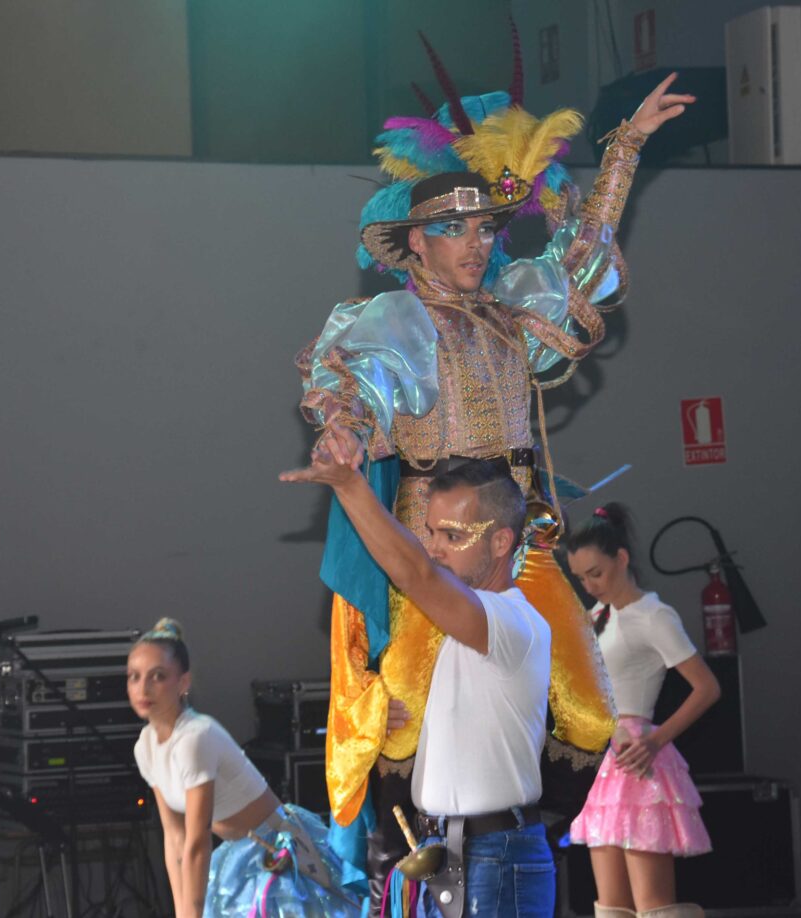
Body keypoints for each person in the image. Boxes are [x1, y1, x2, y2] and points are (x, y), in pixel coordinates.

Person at [296, 28, 696, 911]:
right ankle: (416, 862)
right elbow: (353, 385)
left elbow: (583, 250)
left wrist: (624, 146)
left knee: (592, 715)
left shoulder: (514, 308)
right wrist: (345, 434)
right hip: (436, 546)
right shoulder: (397, 320)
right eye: (454, 230)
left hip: (524, 539)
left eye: (484, 228)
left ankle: (515, 855)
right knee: (392, 721)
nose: (476, 244)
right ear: (417, 244)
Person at [282, 450, 555, 917]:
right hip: (453, 854)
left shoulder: (512, 622)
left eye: (452, 536)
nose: (434, 547)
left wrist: (350, 486)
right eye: (429, 532)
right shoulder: (463, 632)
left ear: (500, 542)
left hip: (493, 856)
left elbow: (416, 573)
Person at [127, 618, 364, 917]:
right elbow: (175, 837)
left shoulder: (195, 737)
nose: (143, 688)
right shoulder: (145, 746)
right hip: (237, 854)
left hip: (277, 853)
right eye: (134, 676)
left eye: (157, 676)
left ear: (183, 682)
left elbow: (197, 839)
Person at [565, 505, 722, 918]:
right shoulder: (597, 616)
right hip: (607, 763)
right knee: (610, 908)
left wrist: (655, 739)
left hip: (638, 761)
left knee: (654, 907)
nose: (588, 584)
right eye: (580, 577)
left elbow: (707, 688)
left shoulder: (653, 616)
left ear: (621, 559)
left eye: (595, 573)